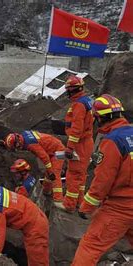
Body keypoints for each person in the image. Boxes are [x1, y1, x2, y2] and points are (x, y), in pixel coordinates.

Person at [72, 94, 133, 265]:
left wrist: (86, 207)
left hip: (120, 207)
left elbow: (102, 181)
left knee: (90, 246)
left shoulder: (112, 141)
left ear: (100, 118)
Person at [59, 76, 94, 212]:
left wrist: (70, 147)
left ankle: (69, 205)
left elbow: (76, 129)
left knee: (73, 175)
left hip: (80, 144)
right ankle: (79, 202)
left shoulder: (79, 105)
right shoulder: (87, 101)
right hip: (86, 142)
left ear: (71, 90)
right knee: (81, 175)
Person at [4, 130, 65, 203]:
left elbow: (44, 157)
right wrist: (5, 144)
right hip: (52, 147)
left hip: (58, 150)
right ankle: (46, 191)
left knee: (54, 174)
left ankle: (58, 200)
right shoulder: (23, 135)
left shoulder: (31, 144)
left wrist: (50, 171)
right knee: (48, 174)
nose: (17, 148)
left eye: (16, 146)